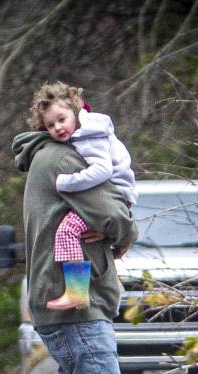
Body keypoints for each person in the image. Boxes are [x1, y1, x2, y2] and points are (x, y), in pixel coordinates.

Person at [0, 82, 145, 374]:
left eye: (65, 118)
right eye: (52, 121)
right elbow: (113, 217)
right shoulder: (64, 159)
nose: (60, 126)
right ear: (43, 124)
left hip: (66, 297)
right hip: (74, 300)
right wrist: (124, 233)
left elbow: (105, 213)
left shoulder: (51, 156)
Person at [43, 88, 137, 310]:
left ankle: (76, 292)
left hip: (116, 195)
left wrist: (65, 182)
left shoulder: (87, 135)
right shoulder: (87, 130)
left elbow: (102, 171)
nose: (57, 127)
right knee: (80, 232)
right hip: (115, 197)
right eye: (50, 125)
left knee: (67, 231)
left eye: (62, 119)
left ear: (76, 113)